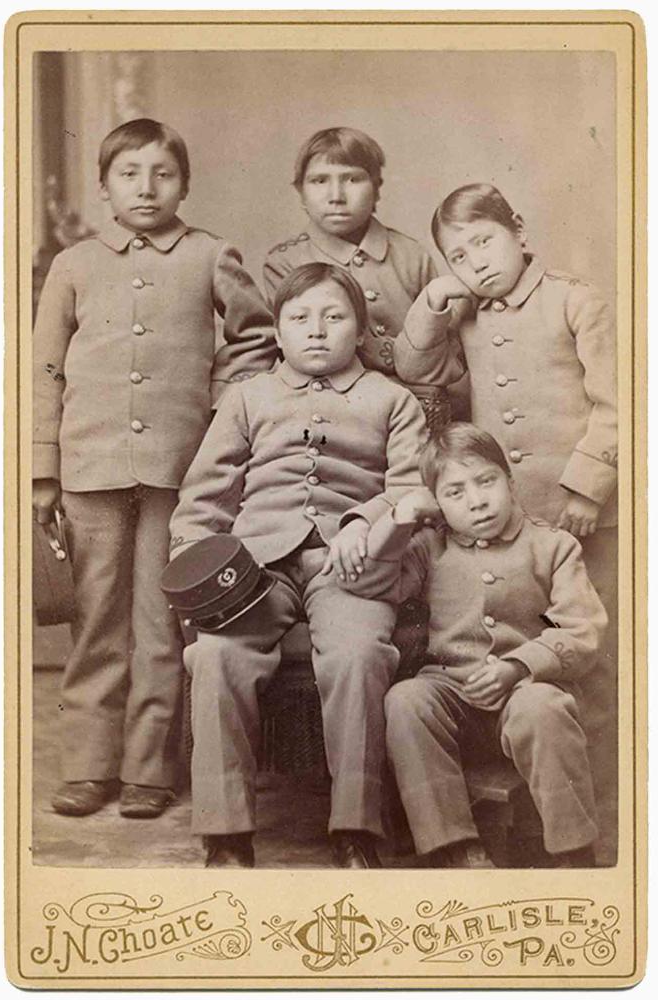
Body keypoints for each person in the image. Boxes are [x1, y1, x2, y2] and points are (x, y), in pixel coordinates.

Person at [32, 118, 276, 819]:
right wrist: (43, 468)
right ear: (104, 189)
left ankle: (149, 768)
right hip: (89, 469)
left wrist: (218, 419)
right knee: (95, 620)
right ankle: (87, 765)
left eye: (162, 173)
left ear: (184, 184)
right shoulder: (73, 265)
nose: (146, 186)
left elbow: (255, 338)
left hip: (180, 470)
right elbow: (43, 369)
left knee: (161, 618)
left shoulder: (209, 255)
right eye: (129, 173)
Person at [168, 261, 428, 868]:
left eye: (334, 317)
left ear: (361, 330)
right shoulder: (248, 397)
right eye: (300, 318)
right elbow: (204, 496)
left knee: (359, 655)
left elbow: (413, 489)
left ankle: (355, 828)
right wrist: (191, 569)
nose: (317, 331)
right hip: (255, 569)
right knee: (217, 653)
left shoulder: (393, 400)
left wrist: (365, 521)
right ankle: (226, 834)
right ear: (278, 333)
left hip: (354, 566)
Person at [394, 183, 618, 847]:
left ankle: (592, 812)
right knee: (521, 659)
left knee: (591, 666)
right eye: (459, 256)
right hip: (499, 515)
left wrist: (586, 486)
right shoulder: (465, 314)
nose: (478, 262)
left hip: (577, 511)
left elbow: (619, 402)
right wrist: (434, 304)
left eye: (485, 241)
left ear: (518, 232)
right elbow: (415, 366)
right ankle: (523, 807)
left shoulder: (576, 299)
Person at [338, 423, 607, 868]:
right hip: (452, 698)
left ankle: (573, 851)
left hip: (524, 693)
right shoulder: (430, 547)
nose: (477, 501)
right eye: (455, 492)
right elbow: (370, 585)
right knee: (406, 700)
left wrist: (519, 666)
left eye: (486, 482)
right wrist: (402, 518)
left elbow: (581, 630)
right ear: (437, 504)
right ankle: (455, 848)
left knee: (543, 709)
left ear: (511, 482)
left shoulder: (553, 546)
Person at [262, 127, 464, 406]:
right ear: (301, 192)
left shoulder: (411, 255)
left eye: (353, 179)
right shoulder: (285, 262)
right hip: (330, 405)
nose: (336, 196)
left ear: (377, 187)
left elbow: (444, 344)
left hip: (418, 404)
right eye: (319, 181)